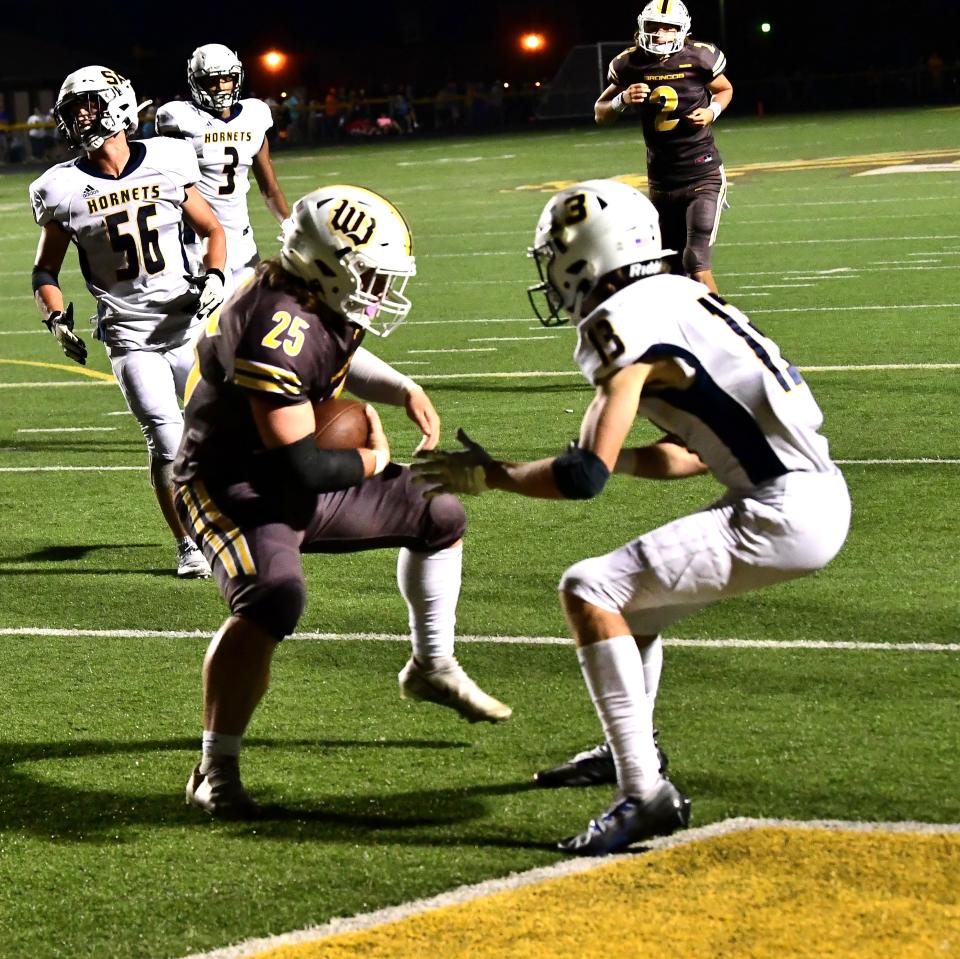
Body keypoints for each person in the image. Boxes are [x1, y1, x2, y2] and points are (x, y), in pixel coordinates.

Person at [411, 179, 851, 855]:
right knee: (634, 611)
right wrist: (613, 462)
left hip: (783, 509)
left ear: (583, 257)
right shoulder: (683, 294)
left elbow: (583, 475)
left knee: (591, 589)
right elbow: (691, 457)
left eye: (555, 257)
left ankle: (644, 793)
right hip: (803, 494)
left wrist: (490, 476)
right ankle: (631, 751)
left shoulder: (621, 321)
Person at [174, 184, 512, 819]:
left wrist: (401, 387)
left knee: (439, 512)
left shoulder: (306, 297)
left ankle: (432, 664)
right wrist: (375, 459)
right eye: (371, 274)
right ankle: (213, 770)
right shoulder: (276, 327)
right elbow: (299, 464)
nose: (379, 289)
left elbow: (329, 357)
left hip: (287, 474)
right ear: (329, 265)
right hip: (232, 489)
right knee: (273, 597)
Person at [30, 65, 227, 578]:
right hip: (128, 336)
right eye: (74, 111)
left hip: (186, 325)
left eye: (89, 106)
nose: (80, 118)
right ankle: (187, 544)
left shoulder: (166, 158)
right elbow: (44, 270)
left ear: (118, 103)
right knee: (166, 439)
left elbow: (211, 228)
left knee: (219, 436)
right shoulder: (61, 187)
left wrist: (215, 274)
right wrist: (55, 318)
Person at [595, 0, 733, 294]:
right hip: (661, 179)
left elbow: (724, 89)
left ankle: (722, 327)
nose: (660, 34)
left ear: (682, 30)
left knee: (695, 261)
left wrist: (712, 112)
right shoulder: (629, 63)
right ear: (642, 27)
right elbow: (600, 112)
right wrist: (622, 100)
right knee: (670, 267)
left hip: (702, 174)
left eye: (668, 28)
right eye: (654, 27)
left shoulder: (700, 57)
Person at [156, 44, 290, 290]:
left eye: (226, 79)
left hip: (242, 239)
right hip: (198, 244)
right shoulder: (180, 119)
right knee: (207, 325)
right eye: (211, 81)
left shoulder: (255, 115)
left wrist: (289, 224)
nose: (220, 87)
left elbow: (269, 188)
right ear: (196, 82)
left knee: (251, 320)